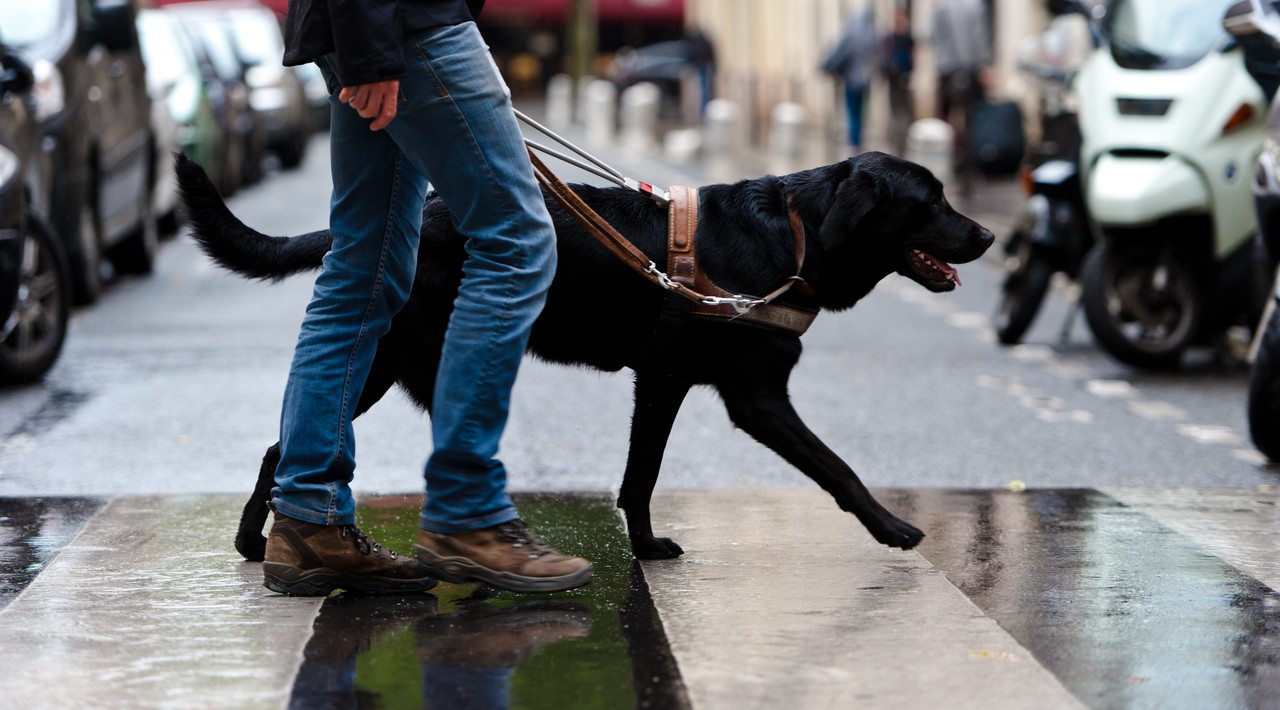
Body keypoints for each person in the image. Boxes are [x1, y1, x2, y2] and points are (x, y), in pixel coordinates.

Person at [261, 0, 592, 597]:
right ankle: (468, 512)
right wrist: (372, 49)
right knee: (516, 240)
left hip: (377, 29)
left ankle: (310, 520)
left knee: (363, 266)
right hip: (407, 24)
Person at [822, 7, 879, 152]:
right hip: (865, 80)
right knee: (860, 111)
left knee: (853, 111)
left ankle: (854, 142)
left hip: (852, 79)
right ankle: (858, 139)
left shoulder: (851, 35)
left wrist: (827, 66)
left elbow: (839, 53)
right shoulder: (872, 35)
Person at [879, 8, 915, 155]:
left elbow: (913, 58)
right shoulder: (891, 39)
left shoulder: (905, 39)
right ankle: (899, 138)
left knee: (904, 109)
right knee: (897, 109)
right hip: (895, 79)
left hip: (903, 78)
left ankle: (902, 138)